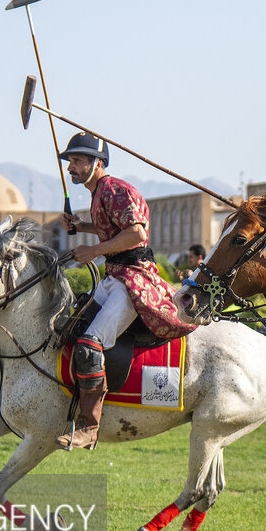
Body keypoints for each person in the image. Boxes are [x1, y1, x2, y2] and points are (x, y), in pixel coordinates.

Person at [56, 131, 199, 450]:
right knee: (71, 327)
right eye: (70, 161)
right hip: (114, 276)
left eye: (77, 160)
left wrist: (92, 250)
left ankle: (89, 428)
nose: (71, 167)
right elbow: (113, 227)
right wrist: (82, 226)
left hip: (133, 280)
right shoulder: (99, 194)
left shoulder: (116, 189)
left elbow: (135, 233)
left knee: (89, 344)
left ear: (97, 162)